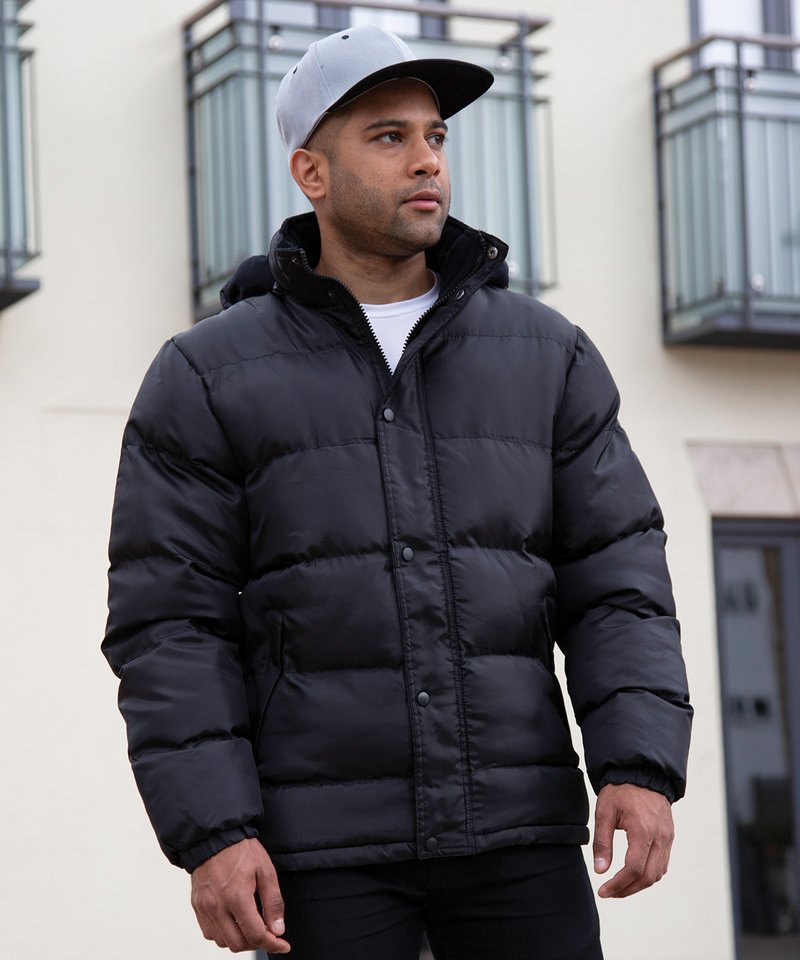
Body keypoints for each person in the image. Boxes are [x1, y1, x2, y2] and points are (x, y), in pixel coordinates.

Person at [102, 24, 692, 960]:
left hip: (520, 834)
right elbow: (170, 624)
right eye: (389, 136)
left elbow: (618, 582)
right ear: (311, 172)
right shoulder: (207, 375)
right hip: (319, 851)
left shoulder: (548, 355)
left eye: (435, 135)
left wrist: (639, 762)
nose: (426, 160)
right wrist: (213, 831)